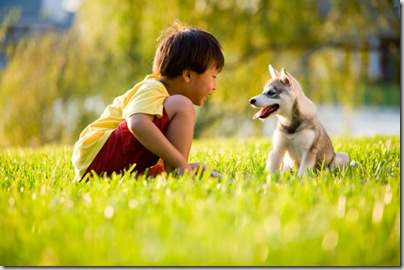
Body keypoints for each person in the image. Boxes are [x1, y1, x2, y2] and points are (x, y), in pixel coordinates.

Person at [71, 21, 225, 181]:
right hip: (98, 154)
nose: (215, 86)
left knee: (177, 111)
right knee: (183, 105)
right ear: (188, 75)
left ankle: (174, 172)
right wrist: (181, 164)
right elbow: (137, 123)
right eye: (213, 77)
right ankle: (179, 171)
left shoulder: (164, 104)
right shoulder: (153, 87)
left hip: (99, 165)